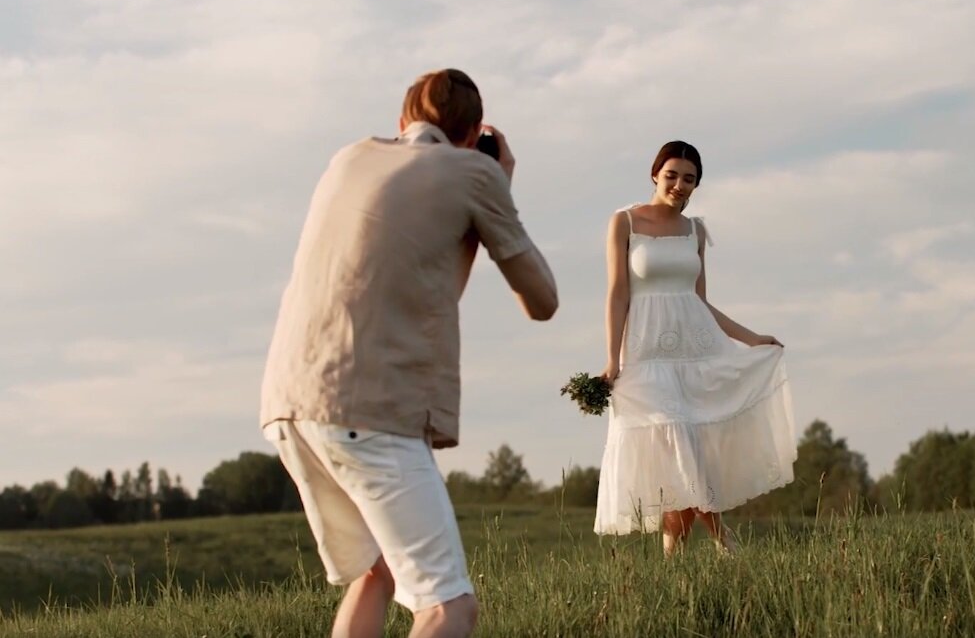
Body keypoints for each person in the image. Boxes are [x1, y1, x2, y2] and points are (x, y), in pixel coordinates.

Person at [259, 68, 557, 638]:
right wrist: (497, 185)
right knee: (449, 606)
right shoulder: (475, 172)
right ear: (473, 133)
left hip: (288, 402)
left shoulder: (348, 158)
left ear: (402, 122)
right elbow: (542, 301)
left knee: (376, 573)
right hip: (367, 409)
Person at [593, 140, 797, 555]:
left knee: (688, 456)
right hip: (647, 355)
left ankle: (675, 556)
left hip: (696, 352)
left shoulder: (695, 231)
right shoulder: (624, 223)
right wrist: (612, 359)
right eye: (672, 175)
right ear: (655, 174)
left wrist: (751, 338)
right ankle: (726, 542)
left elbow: (700, 302)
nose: (679, 185)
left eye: (689, 179)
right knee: (677, 444)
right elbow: (617, 294)